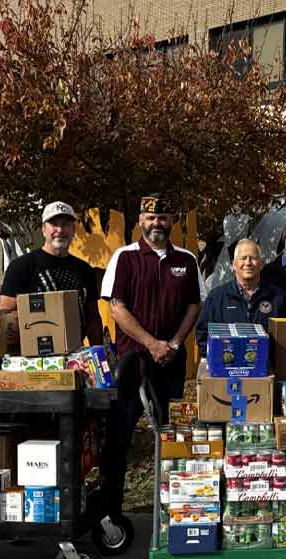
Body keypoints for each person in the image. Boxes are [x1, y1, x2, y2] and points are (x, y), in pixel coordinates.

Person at [99, 194, 202, 525]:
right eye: (150, 217)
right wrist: (151, 343)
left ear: (171, 220)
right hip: (133, 361)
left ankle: (175, 511)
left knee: (172, 436)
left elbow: (193, 305)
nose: (156, 223)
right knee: (119, 438)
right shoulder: (125, 258)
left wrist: (171, 343)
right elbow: (117, 306)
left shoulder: (186, 260)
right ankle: (111, 511)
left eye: (162, 217)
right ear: (140, 221)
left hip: (170, 361)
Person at [0, 201, 103, 345]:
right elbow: (5, 315)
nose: (60, 230)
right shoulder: (21, 267)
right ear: (43, 229)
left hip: (76, 356)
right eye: (53, 224)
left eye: (66, 224)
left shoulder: (84, 270)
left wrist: (99, 353)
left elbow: (93, 318)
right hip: (33, 358)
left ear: (73, 229)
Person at [195, 238, 286, 354]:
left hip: (266, 369)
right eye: (243, 258)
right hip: (227, 368)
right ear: (233, 265)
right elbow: (202, 335)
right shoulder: (216, 297)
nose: (248, 263)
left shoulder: (278, 297)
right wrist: (220, 358)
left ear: (261, 264)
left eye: (253, 258)